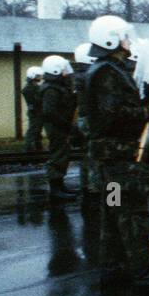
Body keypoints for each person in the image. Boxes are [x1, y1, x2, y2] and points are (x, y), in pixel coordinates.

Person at [85, 15, 149, 290]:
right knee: (133, 211)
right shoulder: (107, 73)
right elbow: (113, 114)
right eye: (123, 36)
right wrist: (146, 112)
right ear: (110, 40)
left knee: (113, 211)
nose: (127, 40)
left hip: (108, 157)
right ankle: (142, 272)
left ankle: (112, 267)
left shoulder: (105, 69)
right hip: (119, 157)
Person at [39, 55, 77, 201]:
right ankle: (56, 190)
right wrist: (67, 126)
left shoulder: (56, 87)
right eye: (63, 70)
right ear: (55, 70)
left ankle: (60, 186)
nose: (66, 73)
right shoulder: (51, 89)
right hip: (57, 128)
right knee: (57, 156)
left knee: (62, 155)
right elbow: (50, 112)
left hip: (59, 126)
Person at [72, 42, 100, 208]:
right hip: (93, 121)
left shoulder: (80, 77)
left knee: (87, 158)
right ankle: (111, 202)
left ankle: (88, 193)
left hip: (84, 120)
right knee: (105, 165)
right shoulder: (91, 76)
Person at [22, 67, 44, 152]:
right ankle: (27, 148)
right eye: (38, 76)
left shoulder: (34, 86)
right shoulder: (29, 88)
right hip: (35, 112)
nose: (40, 77)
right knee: (33, 130)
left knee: (37, 131)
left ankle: (38, 148)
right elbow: (35, 101)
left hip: (37, 112)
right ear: (33, 76)